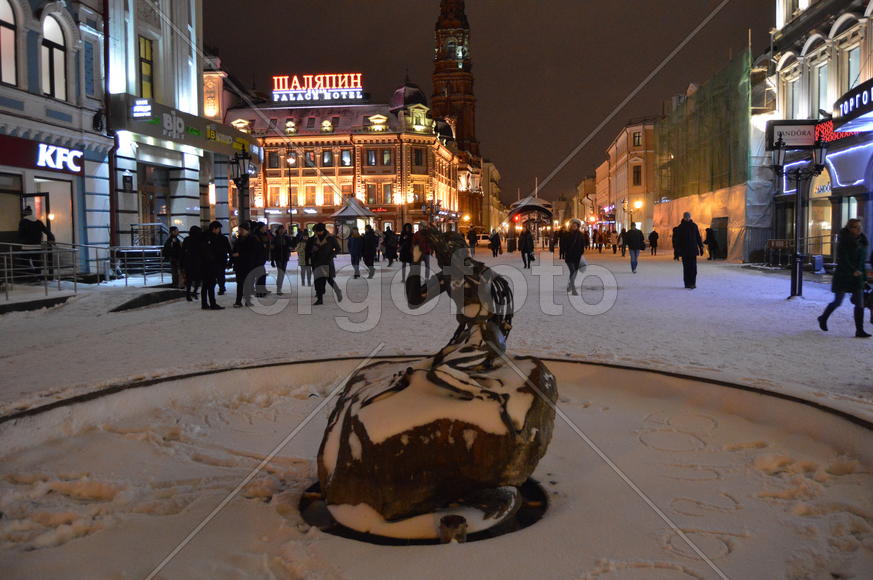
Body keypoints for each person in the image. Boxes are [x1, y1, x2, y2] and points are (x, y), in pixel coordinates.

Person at [818, 219, 870, 338]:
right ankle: (823, 318)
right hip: (844, 275)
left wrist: (864, 277)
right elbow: (844, 259)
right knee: (838, 301)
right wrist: (853, 270)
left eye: (859, 227)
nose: (859, 229)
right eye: (856, 227)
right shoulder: (844, 241)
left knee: (860, 303)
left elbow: (862, 261)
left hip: (858, 277)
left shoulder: (862, 241)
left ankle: (859, 330)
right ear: (850, 228)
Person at [307, 223, 342, 305]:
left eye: (320, 231)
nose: (318, 233)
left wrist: (330, 256)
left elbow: (338, 249)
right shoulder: (314, 238)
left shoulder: (330, 238)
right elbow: (309, 249)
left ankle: (337, 291)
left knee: (329, 279)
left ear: (323, 230)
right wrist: (312, 251)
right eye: (317, 231)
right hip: (316, 262)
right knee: (318, 281)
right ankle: (320, 299)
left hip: (326, 262)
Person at [17, 206, 55, 276]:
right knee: (37, 261)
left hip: (26, 246)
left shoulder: (23, 221)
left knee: (25, 261)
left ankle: (30, 275)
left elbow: (20, 234)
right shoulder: (38, 222)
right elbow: (47, 231)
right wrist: (52, 239)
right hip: (37, 246)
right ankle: (38, 275)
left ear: (24, 214)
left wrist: (20, 240)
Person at [199, 221, 227, 310]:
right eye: (218, 228)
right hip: (210, 265)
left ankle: (204, 303)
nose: (219, 230)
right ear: (214, 228)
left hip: (205, 265)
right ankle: (212, 303)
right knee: (211, 284)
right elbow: (213, 252)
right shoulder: (211, 238)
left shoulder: (204, 237)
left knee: (205, 285)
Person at [231, 222, 258, 307]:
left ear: (246, 230)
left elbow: (252, 252)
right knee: (240, 283)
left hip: (248, 265)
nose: (239, 231)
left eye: (241, 229)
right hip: (239, 265)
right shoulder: (238, 239)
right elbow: (234, 250)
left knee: (248, 283)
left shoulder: (252, 239)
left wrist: (240, 254)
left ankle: (247, 301)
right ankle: (238, 301)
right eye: (239, 229)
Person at [674, 212, 704, 289]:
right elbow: (677, 240)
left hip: (693, 250)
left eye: (688, 217)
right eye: (686, 217)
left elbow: (698, 237)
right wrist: (676, 252)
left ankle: (692, 283)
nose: (687, 218)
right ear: (684, 217)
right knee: (686, 268)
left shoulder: (694, 226)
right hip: (684, 251)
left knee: (693, 268)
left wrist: (701, 247)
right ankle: (687, 283)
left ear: (690, 217)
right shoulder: (680, 227)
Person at [271, 224, 295, 294]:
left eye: (282, 229)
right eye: (280, 229)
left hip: (285, 257)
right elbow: (272, 250)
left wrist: (291, 241)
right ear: (278, 230)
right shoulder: (275, 238)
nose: (281, 230)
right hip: (278, 257)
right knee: (280, 273)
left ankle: (279, 288)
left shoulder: (286, 237)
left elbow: (292, 245)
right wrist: (272, 260)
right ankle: (278, 289)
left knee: (282, 273)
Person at [564, 219, 586, 295]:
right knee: (573, 271)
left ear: (578, 226)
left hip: (577, 257)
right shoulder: (567, 234)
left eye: (575, 225)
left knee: (574, 272)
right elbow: (563, 245)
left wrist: (581, 252)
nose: (574, 226)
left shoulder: (580, 235)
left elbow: (583, 245)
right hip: (569, 256)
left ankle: (570, 285)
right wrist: (565, 252)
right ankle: (573, 289)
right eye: (573, 225)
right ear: (570, 226)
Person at [181, 226, 202, 301]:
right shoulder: (199, 240)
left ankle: (188, 294)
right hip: (197, 262)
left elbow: (183, 251)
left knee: (189, 280)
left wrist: (182, 263)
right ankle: (194, 292)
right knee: (198, 279)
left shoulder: (187, 239)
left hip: (189, 262)